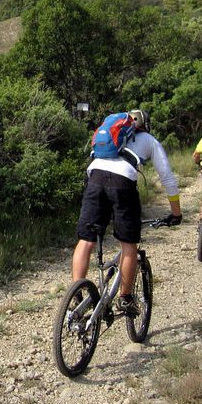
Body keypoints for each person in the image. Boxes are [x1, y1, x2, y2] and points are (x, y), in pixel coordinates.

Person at [72, 109, 182, 316]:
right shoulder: (149, 141)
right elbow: (167, 177)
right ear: (145, 125)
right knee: (128, 244)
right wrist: (176, 213)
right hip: (122, 183)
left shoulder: (110, 138)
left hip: (94, 178)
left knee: (86, 241)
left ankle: (75, 295)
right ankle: (125, 298)